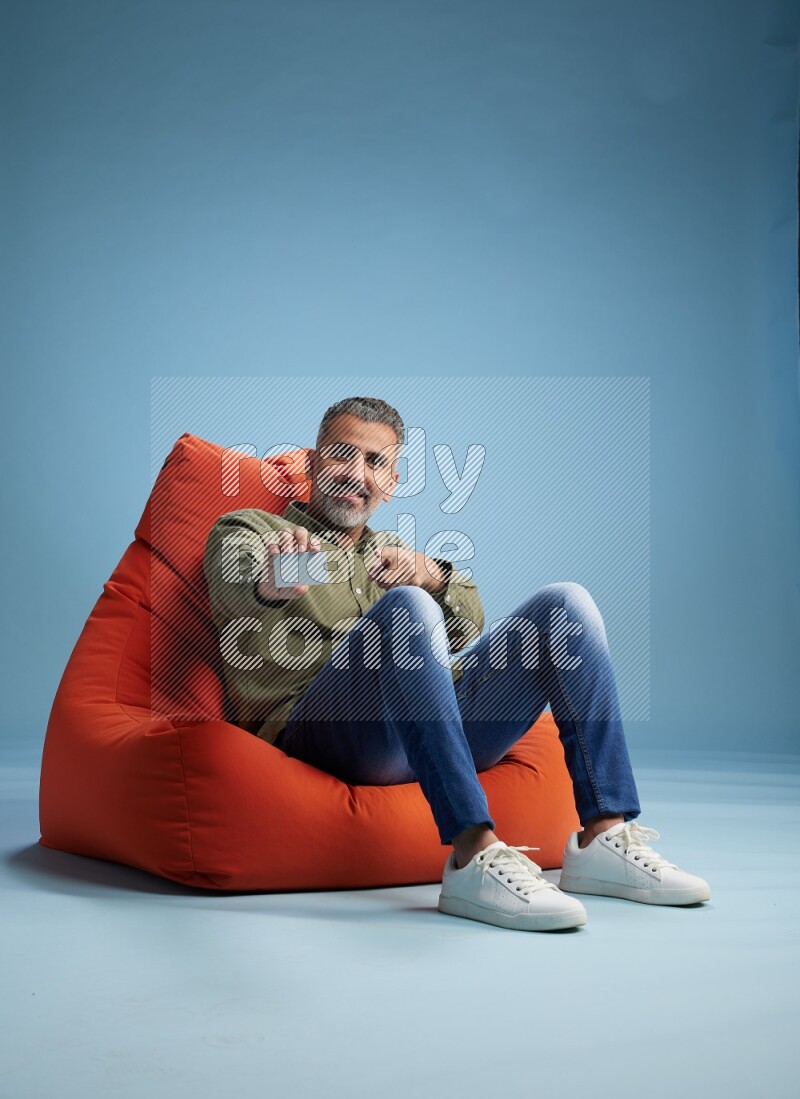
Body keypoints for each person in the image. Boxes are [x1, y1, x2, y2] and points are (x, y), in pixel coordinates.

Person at [204, 395, 711, 932]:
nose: (356, 474)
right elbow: (242, 589)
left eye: (374, 462)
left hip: (428, 733)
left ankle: (603, 836)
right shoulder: (252, 530)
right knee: (407, 608)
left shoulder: (390, 551)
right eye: (341, 455)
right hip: (323, 736)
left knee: (566, 604)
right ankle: (473, 853)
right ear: (311, 464)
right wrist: (277, 581)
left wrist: (433, 576)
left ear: (391, 482)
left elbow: (468, 629)